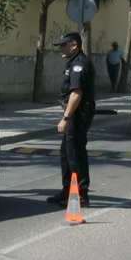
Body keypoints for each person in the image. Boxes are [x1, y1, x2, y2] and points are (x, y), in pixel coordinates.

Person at [46, 30, 96, 209]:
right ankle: (67, 190)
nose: (60, 49)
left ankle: (81, 194)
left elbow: (76, 93)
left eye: (63, 45)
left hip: (78, 114)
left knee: (75, 153)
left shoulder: (79, 65)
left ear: (74, 45)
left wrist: (66, 117)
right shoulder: (72, 63)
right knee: (66, 153)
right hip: (73, 113)